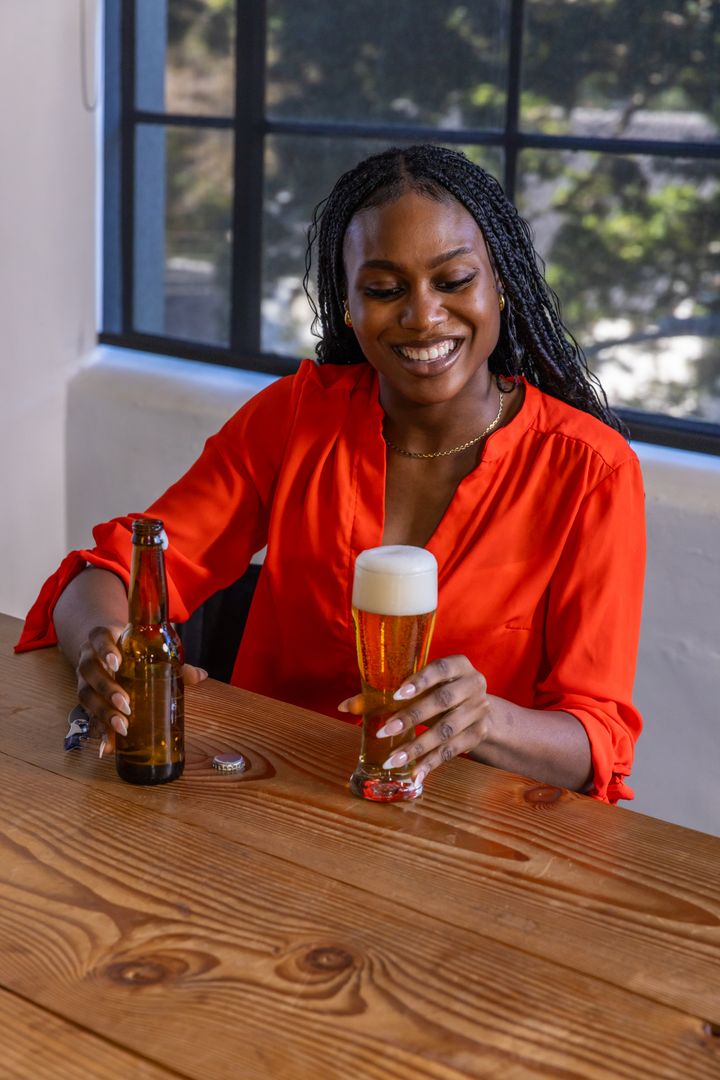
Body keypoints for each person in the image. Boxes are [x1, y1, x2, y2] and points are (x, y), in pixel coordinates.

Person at [17, 144, 645, 803]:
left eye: (454, 281)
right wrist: (106, 649)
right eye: (383, 290)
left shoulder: (591, 471)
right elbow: (113, 570)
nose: (422, 315)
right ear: (346, 304)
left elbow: (593, 742)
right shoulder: (295, 417)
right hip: (271, 799)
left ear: (502, 285)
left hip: (466, 836)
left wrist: (484, 720)